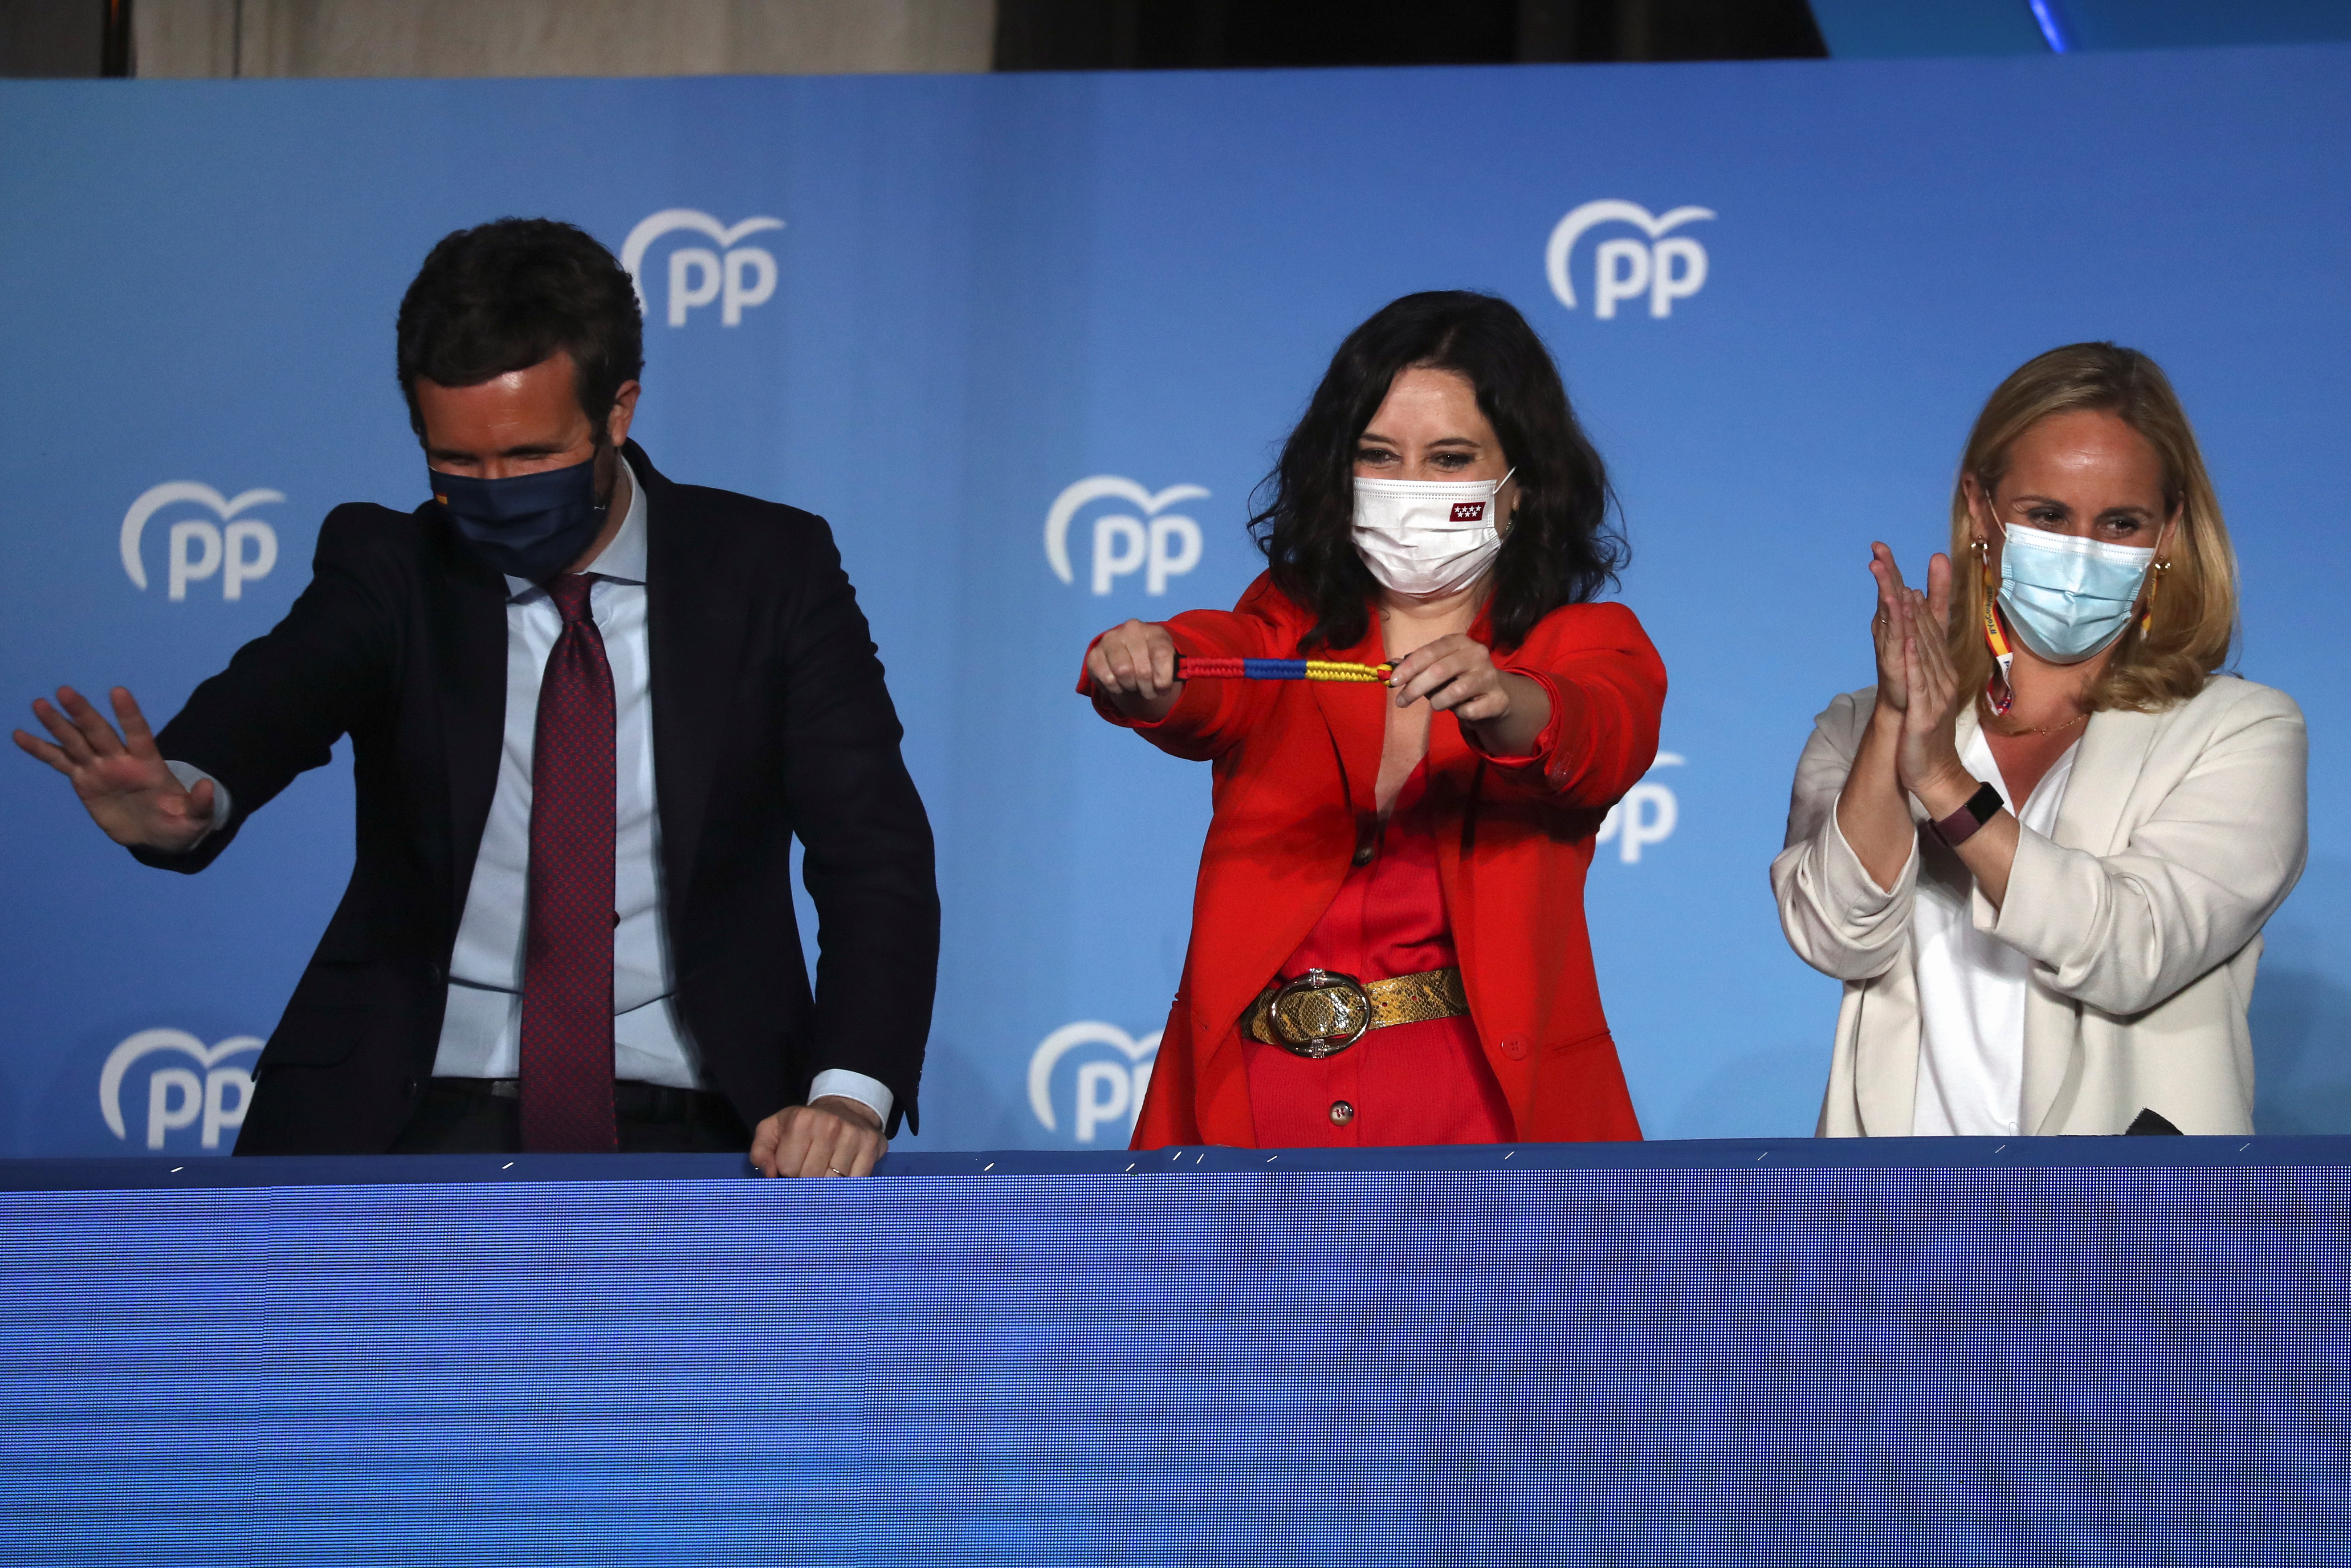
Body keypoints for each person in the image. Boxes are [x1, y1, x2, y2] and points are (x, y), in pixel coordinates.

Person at [12, 219, 938, 1174]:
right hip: (404, 1113)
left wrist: (848, 1095)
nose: (492, 490)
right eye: (456, 464)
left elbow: (873, 854)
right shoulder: (394, 570)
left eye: (531, 457)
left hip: (709, 1119)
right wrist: (189, 793)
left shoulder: (768, 570)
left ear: (618, 412)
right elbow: (279, 692)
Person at [1081, 291, 1665, 1149]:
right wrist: (1151, 664)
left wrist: (1506, 701)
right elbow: (1220, 667)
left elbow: (1595, 731)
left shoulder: (1584, 641)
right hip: (1251, 1110)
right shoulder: (1287, 621)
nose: (1409, 488)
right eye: (1379, 456)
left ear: (1525, 485)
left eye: (1451, 458)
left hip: (1482, 1118)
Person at [1773, 342, 2306, 1138]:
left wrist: (1948, 786)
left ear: (2169, 533)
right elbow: (1834, 931)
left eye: (2121, 522)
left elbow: (2133, 948)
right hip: (1895, 1229)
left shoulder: (2240, 731)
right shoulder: (1856, 726)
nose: (2082, 549)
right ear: (1982, 509)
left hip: (2130, 1232)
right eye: (2048, 515)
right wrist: (1895, 721)